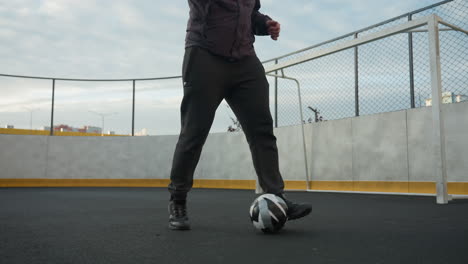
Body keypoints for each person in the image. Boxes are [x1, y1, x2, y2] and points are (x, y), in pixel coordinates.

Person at [168, 0, 312, 230]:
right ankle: (178, 199)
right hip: (205, 56)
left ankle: (276, 197)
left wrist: (266, 24)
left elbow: (249, 14)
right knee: (194, 132)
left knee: (262, 131)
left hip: (245, 61)